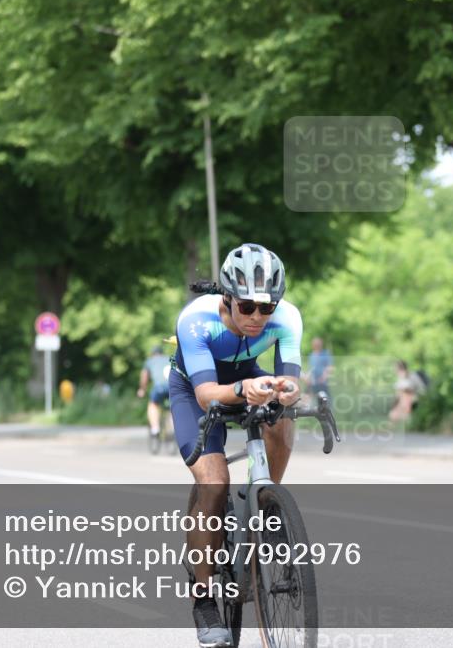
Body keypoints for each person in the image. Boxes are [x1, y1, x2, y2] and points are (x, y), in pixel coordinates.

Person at [169, 243, 302, 647]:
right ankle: (205, 598)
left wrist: (286, 391)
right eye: (247, 306)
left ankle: (267, 503)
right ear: (227, 296)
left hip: (246, 374)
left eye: (268, 307)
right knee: (214, 484)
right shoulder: (196, 319)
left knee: (281, 421)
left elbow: (293, 382)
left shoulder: (288, 318)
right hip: (196, 387)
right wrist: (243, 389)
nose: (259, 317)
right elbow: (209, 393)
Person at [138, 345, 172, 439]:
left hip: (159, 388)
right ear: (162, 353)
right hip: (173, 387)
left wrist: (142, 390)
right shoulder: (169, 358)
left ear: (153, 354)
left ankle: (155, 428)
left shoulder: (150, 361)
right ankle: (173, 429)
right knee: (172, 407)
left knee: (153, 404)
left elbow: (144, 378)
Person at [306, 336, 334, 405]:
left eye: (318, 344)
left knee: (326, 400)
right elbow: (311, 369)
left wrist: (323, 377)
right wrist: (308, 377)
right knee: (311, 401)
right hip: (313, 383)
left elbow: (330, 367)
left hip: (323, 383)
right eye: (315, 344)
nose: (316, 345)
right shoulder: (311, 355)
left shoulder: (326, 354)